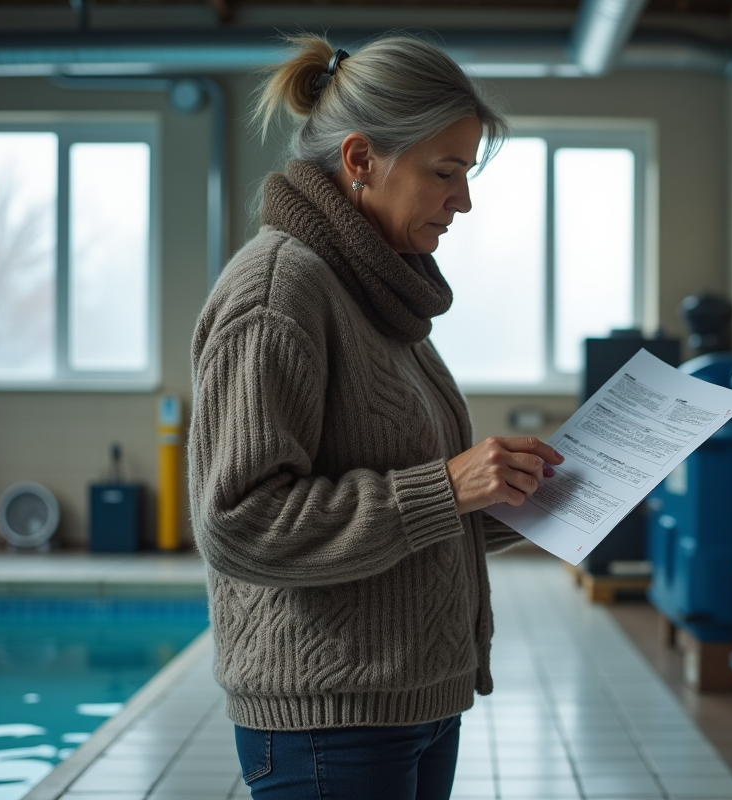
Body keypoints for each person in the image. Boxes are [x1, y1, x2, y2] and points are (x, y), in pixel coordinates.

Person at [187, 34, 563, 800]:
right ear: (361, 160)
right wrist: (448, 487)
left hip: (413, 701)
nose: (463, 201)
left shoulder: (372, 293)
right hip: (330, 724)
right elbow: (238, 519)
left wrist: (533, 492)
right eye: (446, 172)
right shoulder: (278, 293)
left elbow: (420, 504)